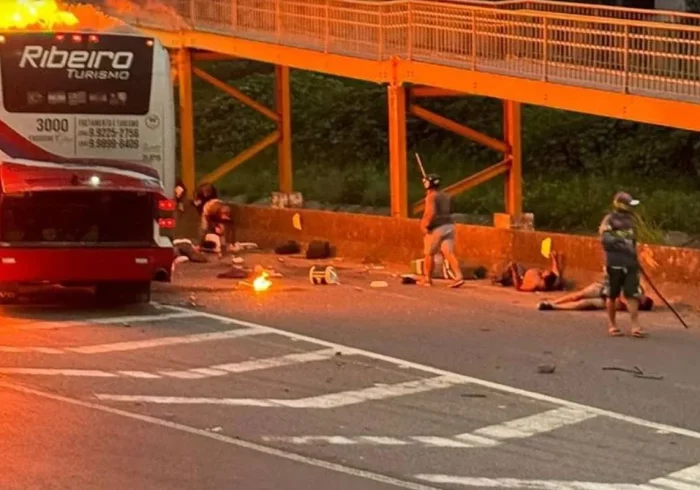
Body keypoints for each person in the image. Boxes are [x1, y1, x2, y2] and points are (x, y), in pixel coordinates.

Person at [599, 191, 647, 338]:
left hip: (631, 263)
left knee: (632, 294)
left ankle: (635, 326)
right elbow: (606, 241)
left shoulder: (632, 221)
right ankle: (612, 325)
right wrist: (623, 245)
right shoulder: (609, 220)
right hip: (614, 263)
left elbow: (634, 241)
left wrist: (636, 256)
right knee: (612, 294)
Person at [419, 173, 464, 288]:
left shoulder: (431, 197)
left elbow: (431, 212)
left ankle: (427, 279)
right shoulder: (446, 196)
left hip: (436, 228)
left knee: (429, 253)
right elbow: (451, 210)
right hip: (449, 226)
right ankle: (458, 276)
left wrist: (424, 224)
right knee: (448, 252)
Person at [537, 279, 654, 312]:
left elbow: (622, 299)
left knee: (582, 304)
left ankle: (554, 307)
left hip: (605, 301)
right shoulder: (637, 289)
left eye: (641, 301)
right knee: (578, 295)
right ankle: (554, 302)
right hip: (602, 288)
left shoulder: (633, 305)